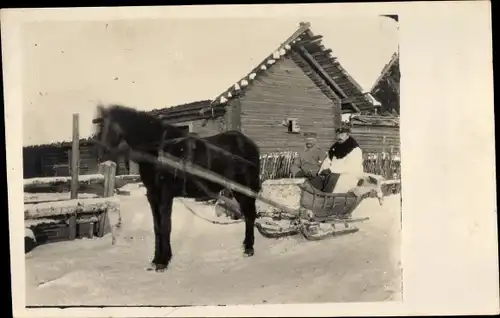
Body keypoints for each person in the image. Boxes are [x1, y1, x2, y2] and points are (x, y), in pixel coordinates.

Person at [311, 126, 364, 193]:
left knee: (333, 180)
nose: (339, 137)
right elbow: (328, 160)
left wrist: (331, 170)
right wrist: (322, 171)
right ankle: (314, 193)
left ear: (347, 135)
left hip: (348, 175)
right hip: (333, 172)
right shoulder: (335, 147)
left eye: (342, 135)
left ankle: (327, 196)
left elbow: (350, 166)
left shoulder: (355, 149)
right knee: (318, 179)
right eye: (338, 134)